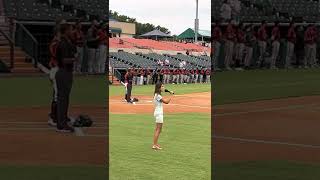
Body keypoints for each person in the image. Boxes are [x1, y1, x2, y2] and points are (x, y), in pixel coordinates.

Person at [55, 23, 77, 133]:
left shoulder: (66, 42)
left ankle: (62, 121)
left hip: (65, 72)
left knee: (64, 98)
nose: (72, 31)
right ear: (66, 31)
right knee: (63, 99)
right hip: (64, 71)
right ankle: (61, 124)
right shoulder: (63, 43)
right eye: (70, 29)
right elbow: (64, 60)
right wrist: (74, 59)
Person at [152, 82, 174, 150]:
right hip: (159, 113)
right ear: (159, 88)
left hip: (158, 112)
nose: (163, 87)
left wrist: (169, 92)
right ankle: (154, 145)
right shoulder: (158, 95)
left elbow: (164, 92)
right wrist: (171, 95)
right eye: (162, 86)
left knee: (158, 129)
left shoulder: (157, 94)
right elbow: (166, 102)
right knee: (158, 130)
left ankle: (155, 143)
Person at [48, 28, 60, 127]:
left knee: (58, 94)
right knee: (57, 95)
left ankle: (57, 115)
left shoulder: (57, 43)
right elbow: (56, 55)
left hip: (57, 69)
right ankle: (52, 117)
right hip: (55, 69)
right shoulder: (55, 43)